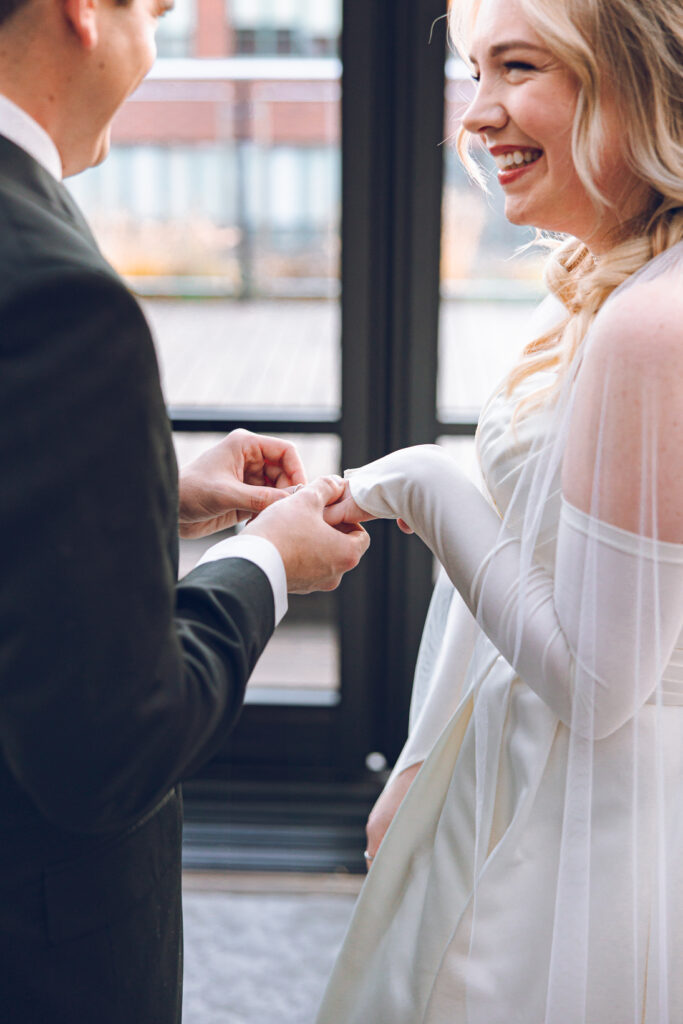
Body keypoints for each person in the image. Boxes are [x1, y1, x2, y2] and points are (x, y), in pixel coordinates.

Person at [0, 0, 370, 1021]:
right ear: (84, 12)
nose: (156, 41)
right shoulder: (60, 295)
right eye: (156, 10)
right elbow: (109, 750)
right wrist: (261, 562)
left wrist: (150, 488)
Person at [317, 0, 683, 1020]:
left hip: (592, 834)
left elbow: (600, 684)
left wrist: (420, 486)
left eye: (514, 68)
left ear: (635, 80)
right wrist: (429, 755)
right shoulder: (604, 276)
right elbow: (533, 541)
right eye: (473, 74)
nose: (473, 118)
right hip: (514, 778)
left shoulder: (652, 325)